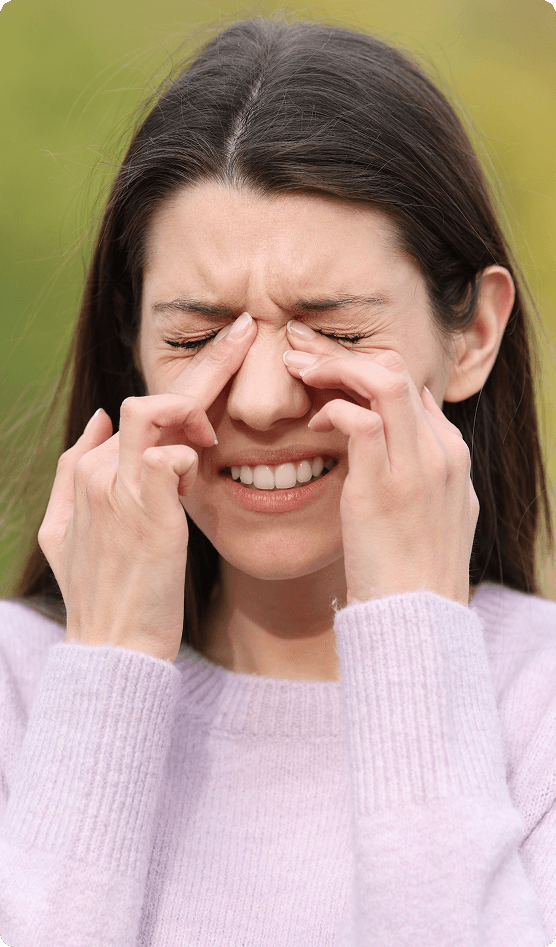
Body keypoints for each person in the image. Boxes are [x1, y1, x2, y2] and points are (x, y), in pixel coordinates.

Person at [0, 15, 555, 946]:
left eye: (336, 333)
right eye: (194, 338)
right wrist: (107, 672)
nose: (259, 400)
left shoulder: (537, 706)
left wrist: (415, 636)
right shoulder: (20, 688)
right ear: (131, 343)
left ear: (473, 334)